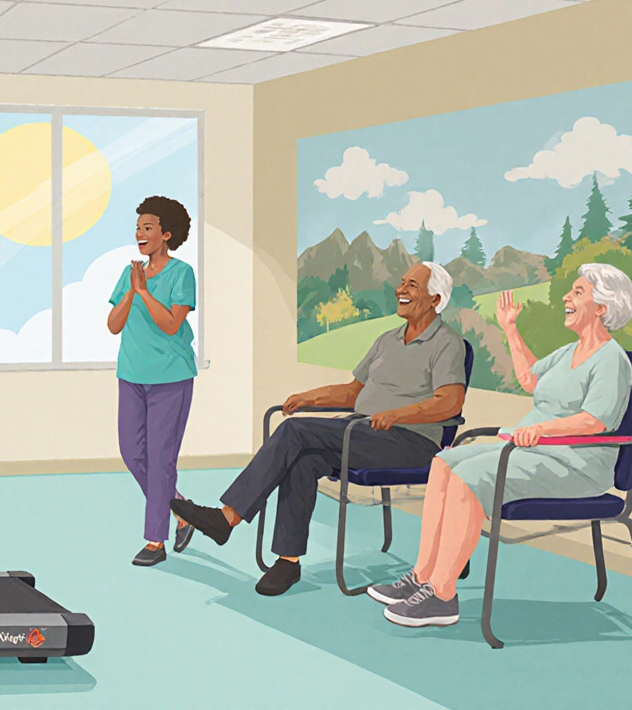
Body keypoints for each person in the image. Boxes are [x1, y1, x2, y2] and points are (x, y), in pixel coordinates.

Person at [172, 262, 468, 595]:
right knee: (303, 459)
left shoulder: (447, 343)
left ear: (435, 299)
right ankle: (288, 561)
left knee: (294, 433)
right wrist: (309, 398)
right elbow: (353, 392)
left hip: (410, 442)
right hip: (363, 432)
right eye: (401, 282)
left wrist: (399, 414)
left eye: (412, 285)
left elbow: (450, 403)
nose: (400, 290)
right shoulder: (387, 340)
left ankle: (227, 518)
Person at [369, 263, 632, 627]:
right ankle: (422, 576)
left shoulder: (612, 360)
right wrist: (510, 327)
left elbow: (596, 421)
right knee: (443, 463)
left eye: (577, 292)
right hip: (531, 450)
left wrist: (540, 429)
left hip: (575, 465)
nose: (566, 297)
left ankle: (443, 595)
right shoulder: (569, 351)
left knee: (469, 478)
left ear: (602, 307)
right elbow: (529, 379)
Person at [108, 196, 198, 567]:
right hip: (131, 376)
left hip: (170, 379)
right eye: (138, 227)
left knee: (161, 458)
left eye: (148, 227)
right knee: (132, 453)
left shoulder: (181, 274)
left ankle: (154, 541)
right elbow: (114, 325)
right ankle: (182, 510)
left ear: (166, 234)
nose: (140, 233)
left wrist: (144, 290)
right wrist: (132, 288)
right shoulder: (130, 273)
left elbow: (172, 324)